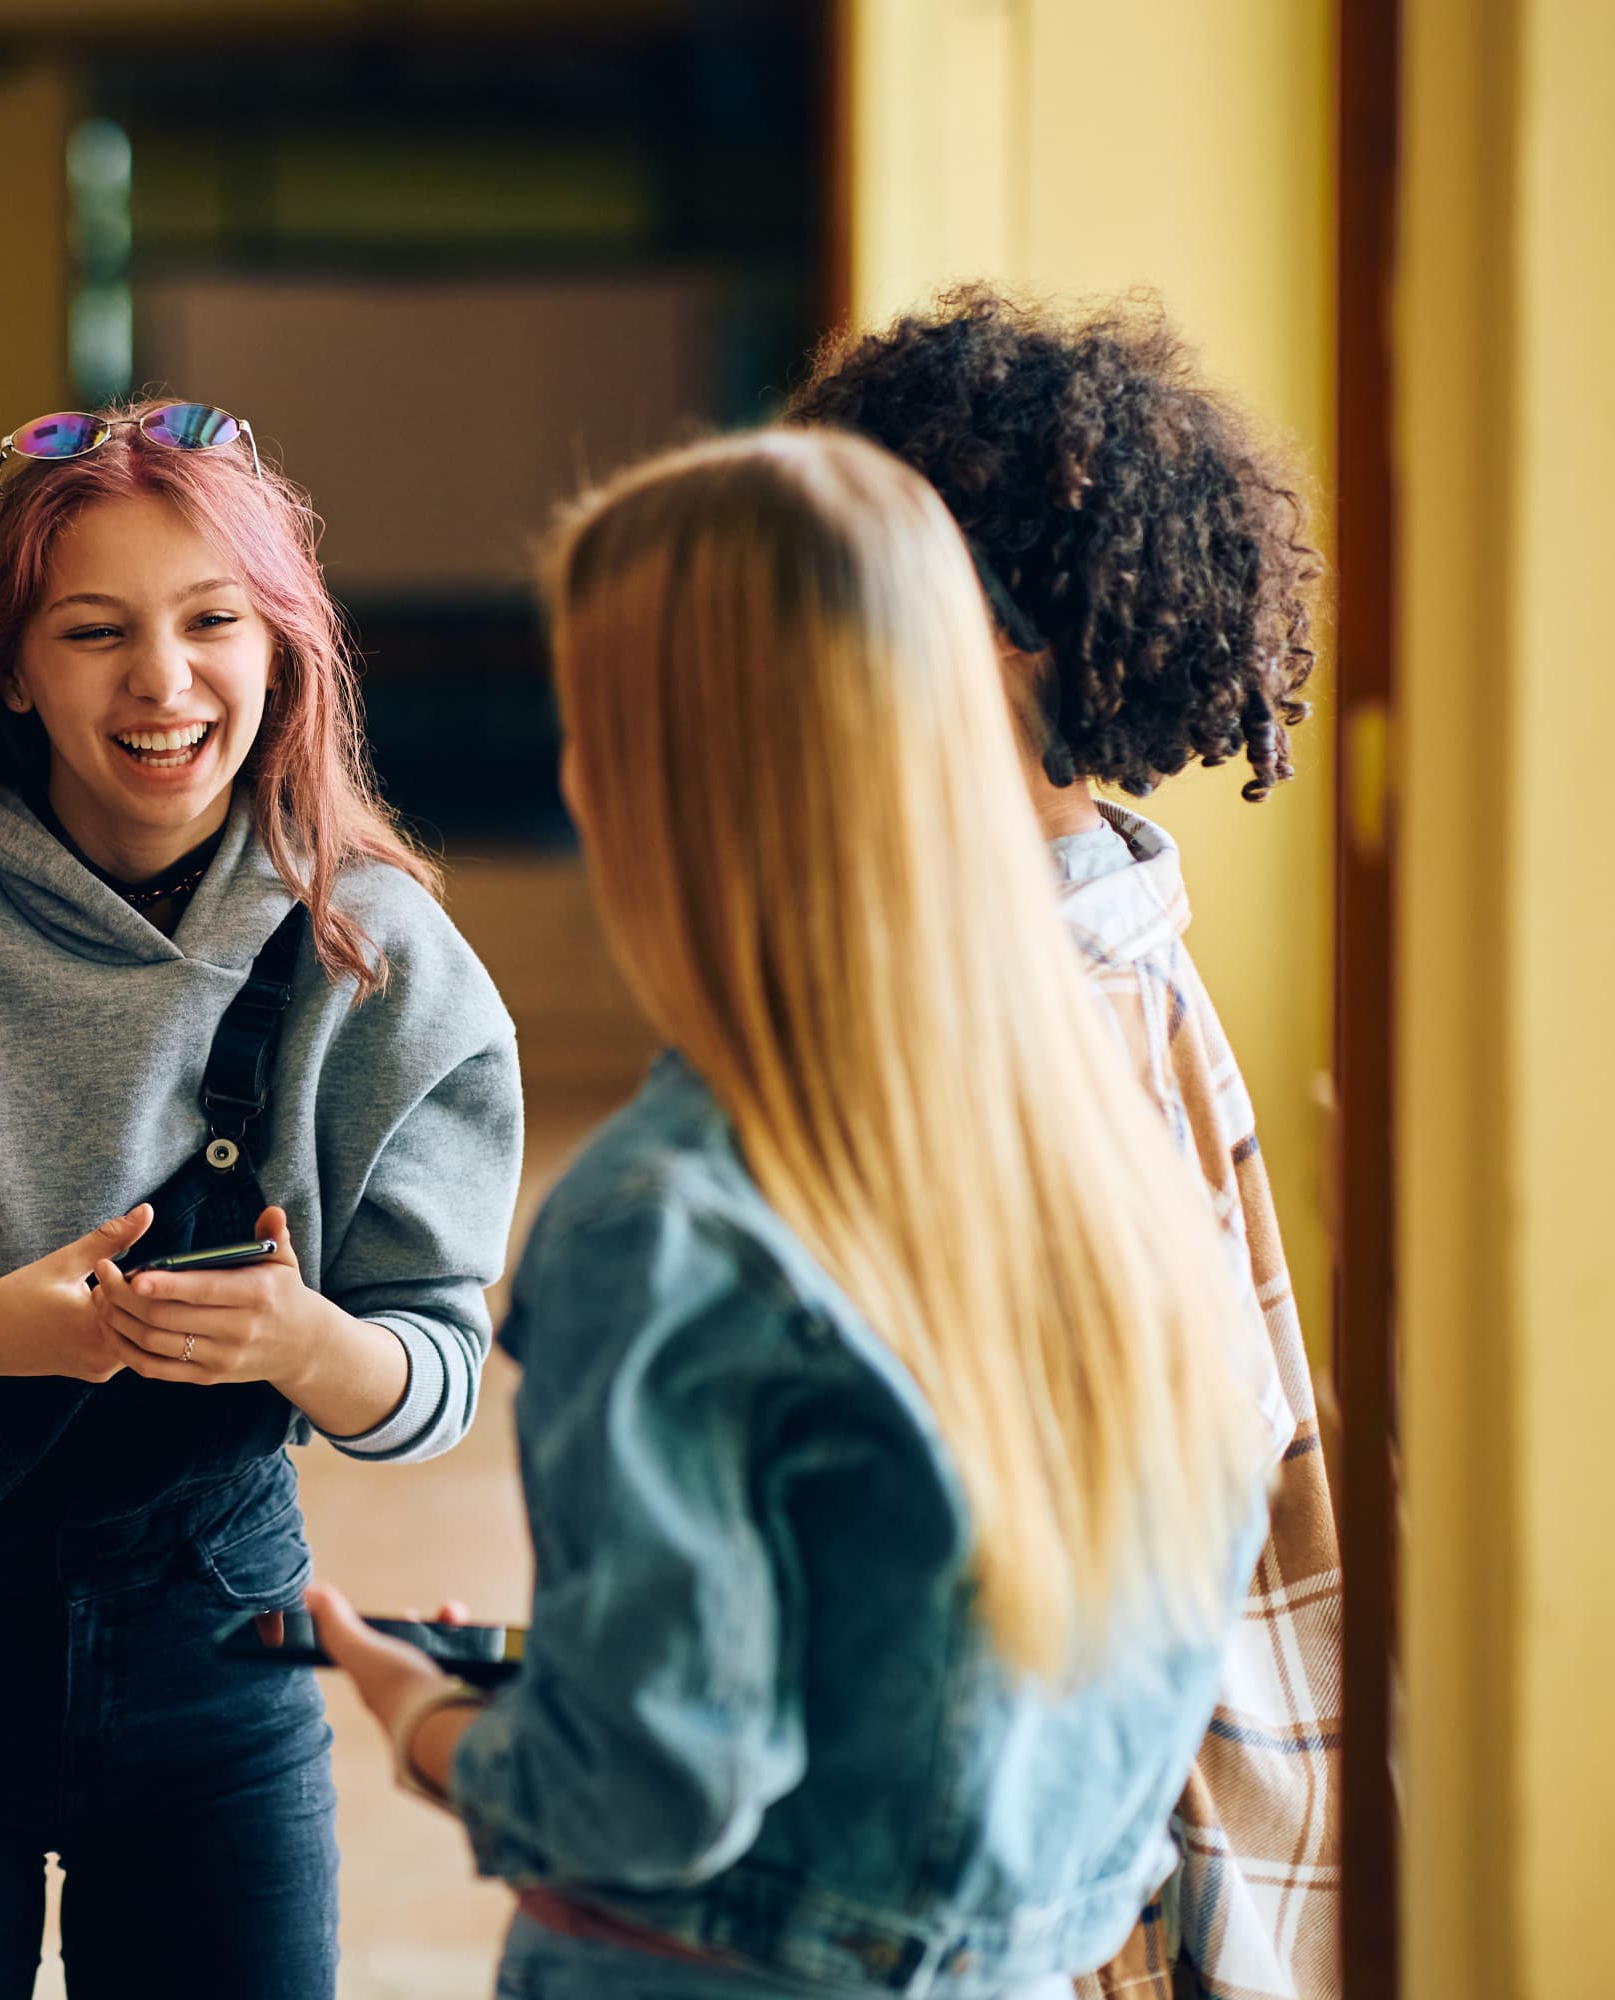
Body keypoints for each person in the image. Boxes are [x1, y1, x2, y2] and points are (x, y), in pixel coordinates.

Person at [313, 429, 1280, 1999]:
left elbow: (656, 1793)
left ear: (672, 779)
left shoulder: (668, 1219)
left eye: (596, 724)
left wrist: (440, 1732)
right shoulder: (1115, 1132)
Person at [0, 398, 525, 1999]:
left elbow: (438, 1377)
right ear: (12, 666)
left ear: (281, 651)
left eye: (213, 623)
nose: (162, 680)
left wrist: (298, 1344)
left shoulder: (379, 953)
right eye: (96, 630)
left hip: (219, 1658)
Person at [787, 286, 1341, 2000]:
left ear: (1007, 635)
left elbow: (1117, 1510)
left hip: (1071, 1858)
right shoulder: (1091, 911)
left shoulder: (1040, 998)